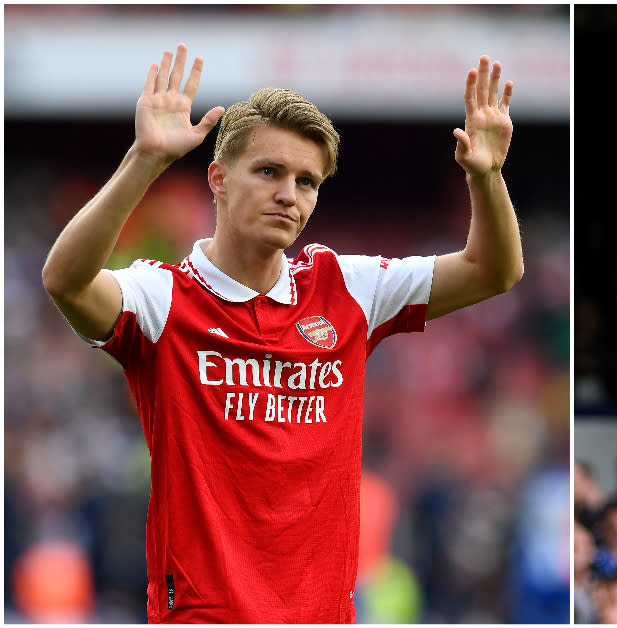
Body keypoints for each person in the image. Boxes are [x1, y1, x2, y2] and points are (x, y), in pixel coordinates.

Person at [39, 44, 523, 622]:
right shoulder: (161, 298)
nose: (289, 195)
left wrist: (488, 176)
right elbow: (66, 281)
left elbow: (493, 271)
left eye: (307, 182)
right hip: (204, 615)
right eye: (269, 171)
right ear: (218, 178)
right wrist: (144, 159)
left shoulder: (346, 287)